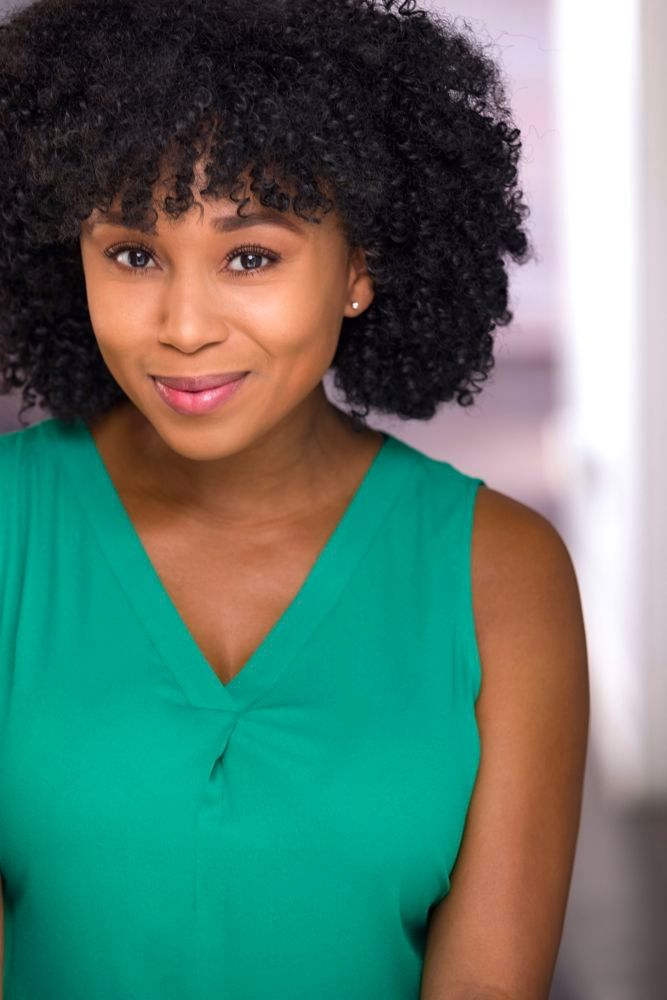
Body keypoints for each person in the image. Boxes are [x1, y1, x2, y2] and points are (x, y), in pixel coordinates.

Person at [0, 0, 589, 997]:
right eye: (134, 254)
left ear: (359, 266)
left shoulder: (502, 576)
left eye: (250, 257)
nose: (185, 326)